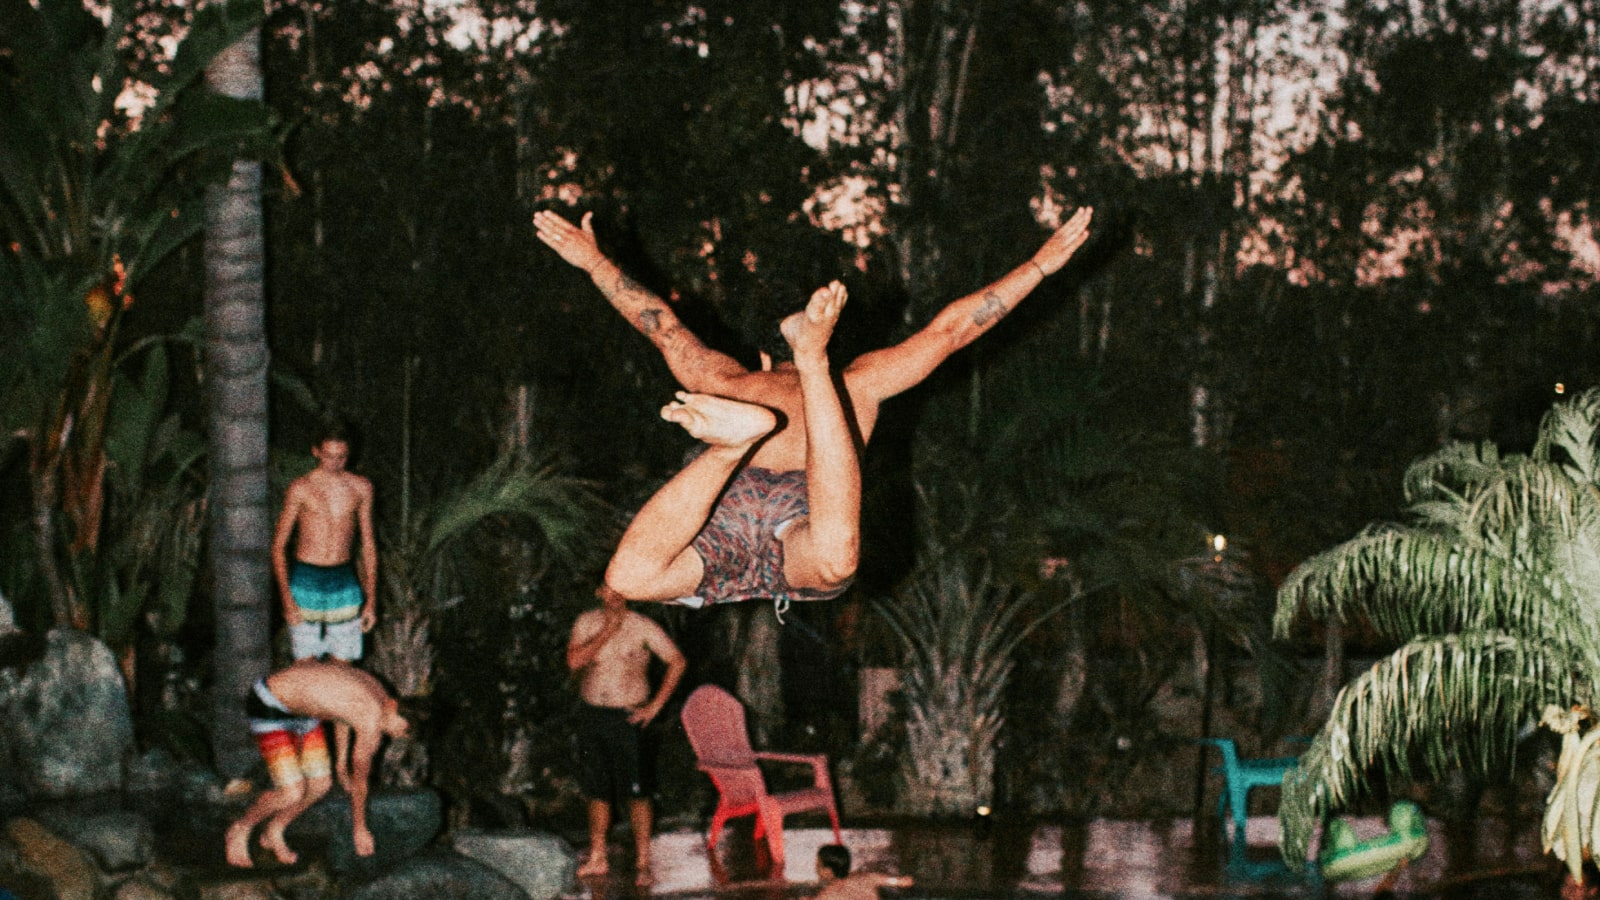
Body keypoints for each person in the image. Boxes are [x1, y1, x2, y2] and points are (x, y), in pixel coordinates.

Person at [534, 204, 1093, 613]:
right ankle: (809, 364)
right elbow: (951, 332)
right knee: (836, 562)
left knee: (629, 578)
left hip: (724, 519)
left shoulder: (727, 377)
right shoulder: (862, 382)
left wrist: (592, 263)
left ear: (757, 353)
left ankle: (732, 447)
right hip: (801, 521)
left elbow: (657, 322)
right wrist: (1040, 267)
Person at [272, 419, 378, 789]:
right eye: (329, 455)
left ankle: (343, 766)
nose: (335, 462)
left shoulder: (360, 487)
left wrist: (371, 600)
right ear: (316, 451)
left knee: (343, 678)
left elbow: (367, 545)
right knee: (306, 676)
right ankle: (309, 765)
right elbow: (278, 547)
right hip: (306, 580)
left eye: (342, 456)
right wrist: (286, 598)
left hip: (344, 581)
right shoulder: (301, 488)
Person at [224, 659, 409, 868]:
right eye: (405, 729)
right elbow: (360, 784)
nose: (401, 735)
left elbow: (343, 715)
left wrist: (340, 765)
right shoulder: (372, 724)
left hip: (306, 714)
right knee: (291, 792)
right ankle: (241, 827)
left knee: (320, 785)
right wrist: (360, 829)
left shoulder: (379, 693)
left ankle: (275, 829)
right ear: (394, 707)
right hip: (270, 702)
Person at [566, 584, 687, 885]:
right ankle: (598, 856)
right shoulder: (587, 623)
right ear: (598, 592)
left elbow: (677, 661)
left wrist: (655, 707)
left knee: (637, 793)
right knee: (597, 791)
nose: (616, 594)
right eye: (610, 587)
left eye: (622, 587)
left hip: (629, 718)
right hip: (593, 715)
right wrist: (607, 631)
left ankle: (643, 861)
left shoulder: (642, 626)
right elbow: (574, 661)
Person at [815, 843, 913, 900]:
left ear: (828, 870)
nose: (816, 869)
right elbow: (901, 882)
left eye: (818, 865)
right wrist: (900, 881)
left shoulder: (828, 895)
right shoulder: (864, 878)